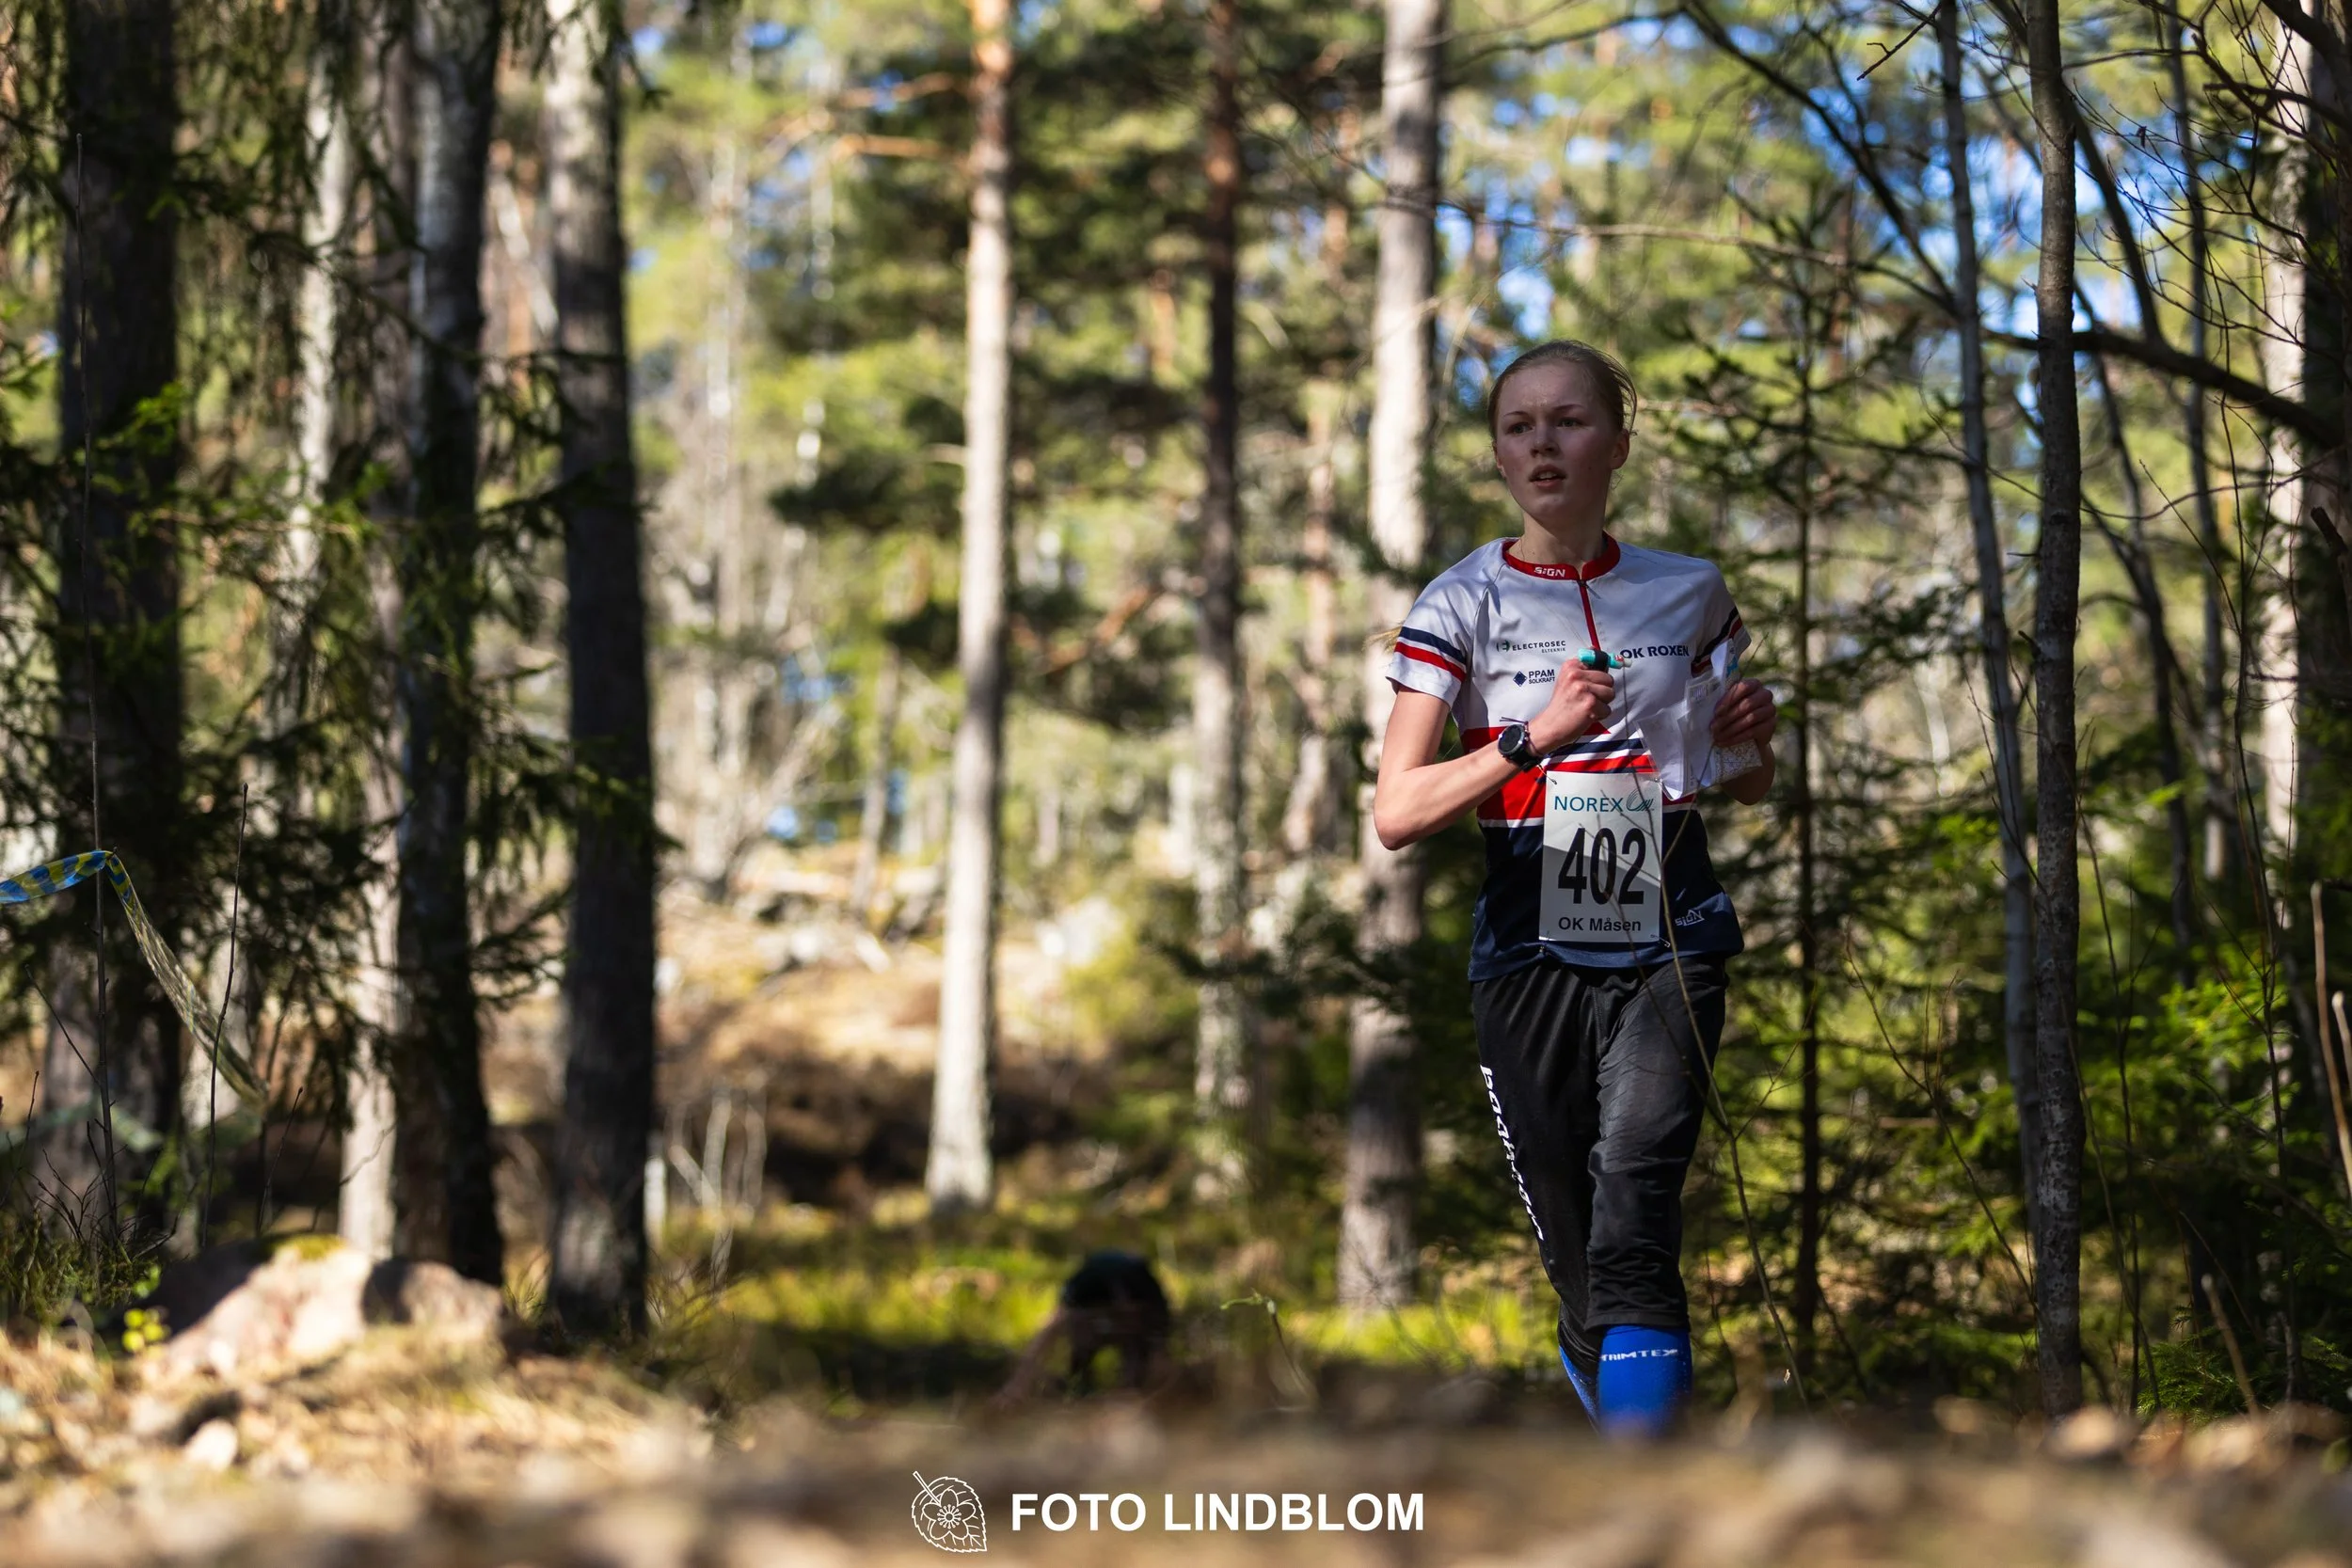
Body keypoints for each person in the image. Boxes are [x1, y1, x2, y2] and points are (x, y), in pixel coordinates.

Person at [1370, 340, 1778, 1439]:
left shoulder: (1689, 591)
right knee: (1575, 1241)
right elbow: (1397, 811)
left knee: (1636, 1210)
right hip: (1526, 922)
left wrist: (1753, 739)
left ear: (1617, 445)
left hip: (1668, 916)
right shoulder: (1459, 599)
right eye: (1518, 426)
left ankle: (1651, 1491)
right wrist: (1527, 736)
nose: (1542, 442)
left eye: (1566, 420)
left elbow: (1743, 780)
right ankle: (1613, 1421)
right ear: (1499, 456)